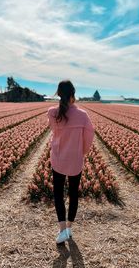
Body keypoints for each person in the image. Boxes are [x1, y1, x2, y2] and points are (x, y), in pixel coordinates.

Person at [47, 80, 94, 244]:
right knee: (73, 194)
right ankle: (69, 228)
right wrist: (82, 152)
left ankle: (62, 231)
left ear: (59, 94)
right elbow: (89, 136)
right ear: (73, 95)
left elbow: (54, 131)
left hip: (58, 158)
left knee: (58, 194)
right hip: (75, 159)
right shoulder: (83, 115)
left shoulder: (52, 113)